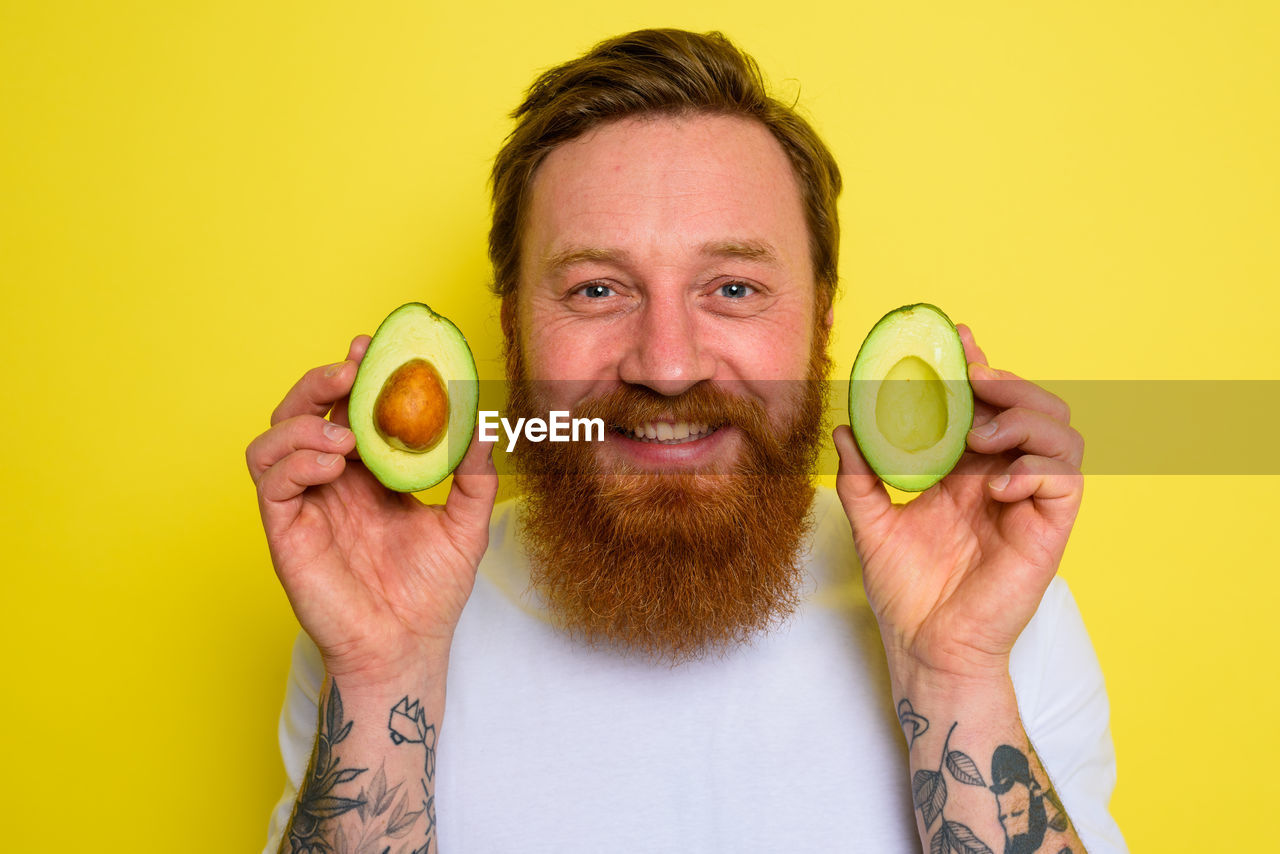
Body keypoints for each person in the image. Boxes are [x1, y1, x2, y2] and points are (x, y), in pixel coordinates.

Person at [248, 28, 1125, 853]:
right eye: (596, 290)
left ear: (820, 326)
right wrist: (379, 676)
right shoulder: (388, 614)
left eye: (734, 288)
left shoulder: (988, 615)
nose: (666, 366)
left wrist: (955, 674)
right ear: (513, 334)